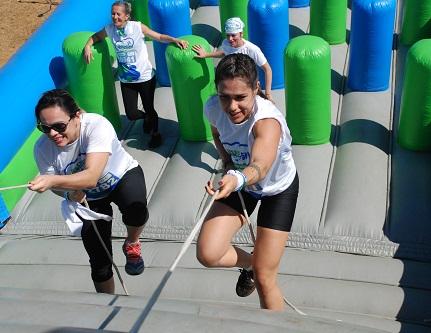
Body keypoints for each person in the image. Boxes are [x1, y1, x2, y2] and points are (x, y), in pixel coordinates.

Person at [196, 54, 299, 310]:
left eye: (240, 97)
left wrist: (237, 177)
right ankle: (251, 263)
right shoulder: (212, 108)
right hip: (239, 181)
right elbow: (218, 133)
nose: (232, 107)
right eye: (225, 96)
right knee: (208, 253)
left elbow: (261, 166)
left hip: (276, 190)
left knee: (265, 279)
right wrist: (227, 162)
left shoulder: (267, 121)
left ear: (256, 89)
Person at [29, 89, 149, 294]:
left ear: (77, 116)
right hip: (87, 198)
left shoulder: (96, 125)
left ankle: (132, 242)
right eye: (44, 128)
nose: (52, 134)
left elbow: (92, 176)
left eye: (58, 126)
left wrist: (52, 181)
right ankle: (106, 307)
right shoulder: (42, 149)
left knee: (136, 211)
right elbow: (57, 187)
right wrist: (67, 193)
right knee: (100, 263)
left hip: (121, 177)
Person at [83, 0, 188, 148]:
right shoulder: (110, 29)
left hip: (145, 78)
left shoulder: (137, 27)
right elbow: (96, 37)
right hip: (126, 80)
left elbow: (158, 36)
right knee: (131, 114)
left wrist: (174, 39)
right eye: (113, 14)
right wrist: (88, 46)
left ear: (127, 16)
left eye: (118, 14)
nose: (115, 17)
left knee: (149, 107)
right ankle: (147, 119)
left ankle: (155, 134)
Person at [192, 17, 274, 102]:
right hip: (232, 88)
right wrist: (206, 54)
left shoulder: (252, 49)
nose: (230, 39)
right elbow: (224, 53)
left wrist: (268, 93)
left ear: (241, 34)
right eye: (228, 35)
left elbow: (268, 70)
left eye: (233, 35)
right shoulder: (226, 43)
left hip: (249, 86)